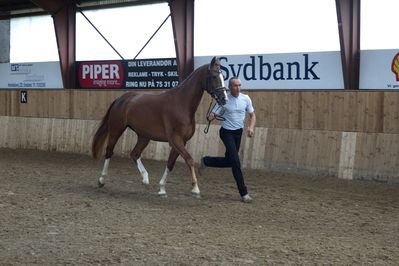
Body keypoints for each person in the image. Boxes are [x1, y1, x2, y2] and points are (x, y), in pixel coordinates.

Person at [199, 76, 256, 203]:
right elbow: (211, 115)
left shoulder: (246, 99)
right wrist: (212, 115)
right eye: (235, 85)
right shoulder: (223, 100)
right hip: (226, 133)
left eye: (239, 85)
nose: (238, 88)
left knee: (229, 161)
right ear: (229, 87)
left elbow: (252, 115)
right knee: (236, 163)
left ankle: (206, 160)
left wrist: (251, 127)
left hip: (238, 133)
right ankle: (244, 193)